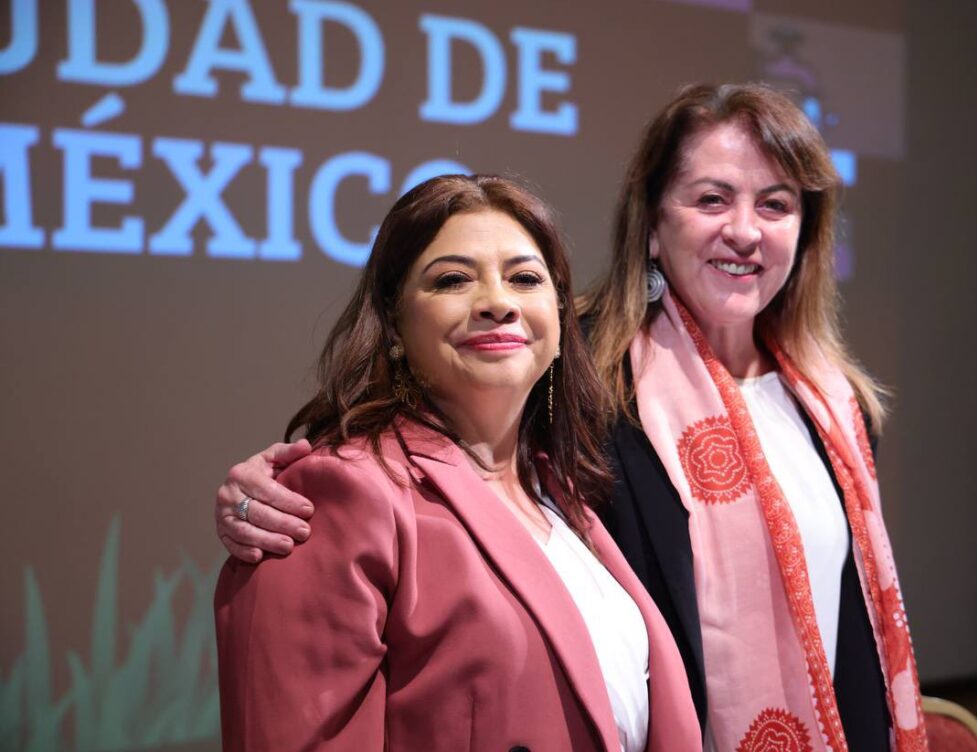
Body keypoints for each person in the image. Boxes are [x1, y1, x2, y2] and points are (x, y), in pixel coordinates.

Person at [216, 83, 928, 751]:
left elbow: (850, 637)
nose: (744, 230)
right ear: (652, 225)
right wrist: (264, 487)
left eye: (776, 205)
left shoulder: (835, 402)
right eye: (712, 199)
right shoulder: (581, 376)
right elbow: (417, 443)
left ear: (806, 232)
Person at [213, 174, 702, 752]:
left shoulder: (568, 494)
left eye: (524, 278)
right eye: (452, 280)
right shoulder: (339, 493)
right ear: (395, 325)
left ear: (560, 319)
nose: (497, 302)